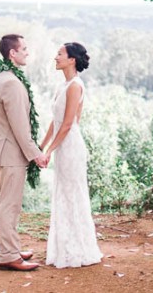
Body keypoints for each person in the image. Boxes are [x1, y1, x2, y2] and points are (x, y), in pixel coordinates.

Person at [40, 42, 102, 269]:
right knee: (63, 194)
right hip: (62, 144)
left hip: (71, 146)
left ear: (72, 59)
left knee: (72, 194)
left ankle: (79, 249)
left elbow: (68, 124)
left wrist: (49, 151)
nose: (55, 57)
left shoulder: (76, 86)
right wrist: (43, 144)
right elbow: (55, 122)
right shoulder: (63, 86)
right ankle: (63, 249)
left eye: (60, 54)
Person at [0, 33, 49, 272]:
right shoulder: (12, 84)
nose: (27, 52)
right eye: (23, 48)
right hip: (12, 153)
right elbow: (20, 126)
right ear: (12, 53)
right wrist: (36, 153)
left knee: (8, 204)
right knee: (9, 205)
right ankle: (8, 256)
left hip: (7, 151)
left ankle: (9, 248)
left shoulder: (5, 77)